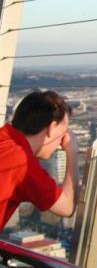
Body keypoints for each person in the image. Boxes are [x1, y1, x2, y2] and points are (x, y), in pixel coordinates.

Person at [0, 90, 79, 231]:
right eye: (64, 133)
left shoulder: (4, 138)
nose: (62, 142)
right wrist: (72, 151)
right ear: (52, 128)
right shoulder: (23, 163)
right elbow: (67, 207)